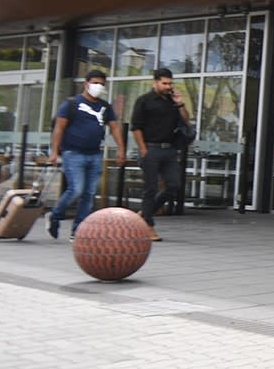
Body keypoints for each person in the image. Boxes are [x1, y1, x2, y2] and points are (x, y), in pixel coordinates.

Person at [46, 70, 127, 241]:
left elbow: (114, 128)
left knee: (89, 194)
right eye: (95, 83)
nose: (98, 87)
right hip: (73, 153)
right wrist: (54, 152)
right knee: (76, 189)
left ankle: (79, 231)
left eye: (102, 84)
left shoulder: (105, 107)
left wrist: (121, 149)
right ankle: (55, 215)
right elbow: (59, 129)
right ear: (86, 83)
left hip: (94, 154)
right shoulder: (71, 103)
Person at [131, 68, 191, 242]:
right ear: (155, 82)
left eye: (170, 83)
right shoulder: (144, 101)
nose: (167, 86)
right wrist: (143, 149)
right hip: (150, 148)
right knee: (151, 188)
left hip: (169, 149)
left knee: (174, 185)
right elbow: (136, 127)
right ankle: (148, 225)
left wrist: (180, 103)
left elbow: (186, 120)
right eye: (164, 83)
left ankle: (144, 213)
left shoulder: (173, 101)